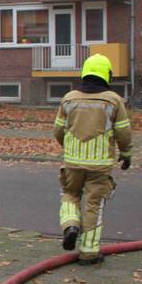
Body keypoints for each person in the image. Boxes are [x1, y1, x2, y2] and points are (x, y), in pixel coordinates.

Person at [54, 54, 132, 265]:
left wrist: (69, 147)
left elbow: (58, 130)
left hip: (72, 162)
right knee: (92, 204)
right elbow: (123, 132)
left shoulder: (68, 98)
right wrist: (126, 155)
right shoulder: (114, 100)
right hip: (100, 165)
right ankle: (89, 253)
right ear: (107, 74)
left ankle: (71, 226)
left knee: (70, 194)